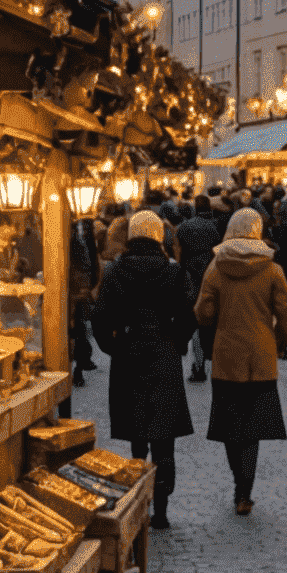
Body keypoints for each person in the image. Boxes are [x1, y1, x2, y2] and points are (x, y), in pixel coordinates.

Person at [89, 210, 196, 530]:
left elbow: (99, 317)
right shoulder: (175, 274)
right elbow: (189, 317)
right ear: (159, 237)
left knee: (138, 437)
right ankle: (161, 510)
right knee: (164, 439)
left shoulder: (115, 272)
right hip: (163, 355)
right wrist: (177, 342)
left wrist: (113, 347)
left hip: (129, 353)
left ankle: (137, 505)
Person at [191, 208, 287, 515]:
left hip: (227, 357)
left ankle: (238, 481)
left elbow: (203, 313)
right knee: (252, 428)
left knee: (229, 426)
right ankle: (245, 490)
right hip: (261, 357)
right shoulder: (272, 269)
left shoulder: (216, 267)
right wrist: (280, 342)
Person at [174, 195, 224, 382]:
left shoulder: (184, 227)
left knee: (194, 321)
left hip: (189, 276)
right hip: (209, 273)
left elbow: (178, 253)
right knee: (209, 319)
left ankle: (198, 365)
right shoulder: (214, 226)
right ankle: (212, 359)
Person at [69, 218, 101, 387]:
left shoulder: (76, 241)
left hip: (75, 293)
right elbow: (91, 263)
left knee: (77, 331)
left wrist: (83, 290)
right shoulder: (80, 239)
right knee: (78, 331)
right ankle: (78, 368)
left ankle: (78, 368)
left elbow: (87, 264)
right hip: (77, 292)